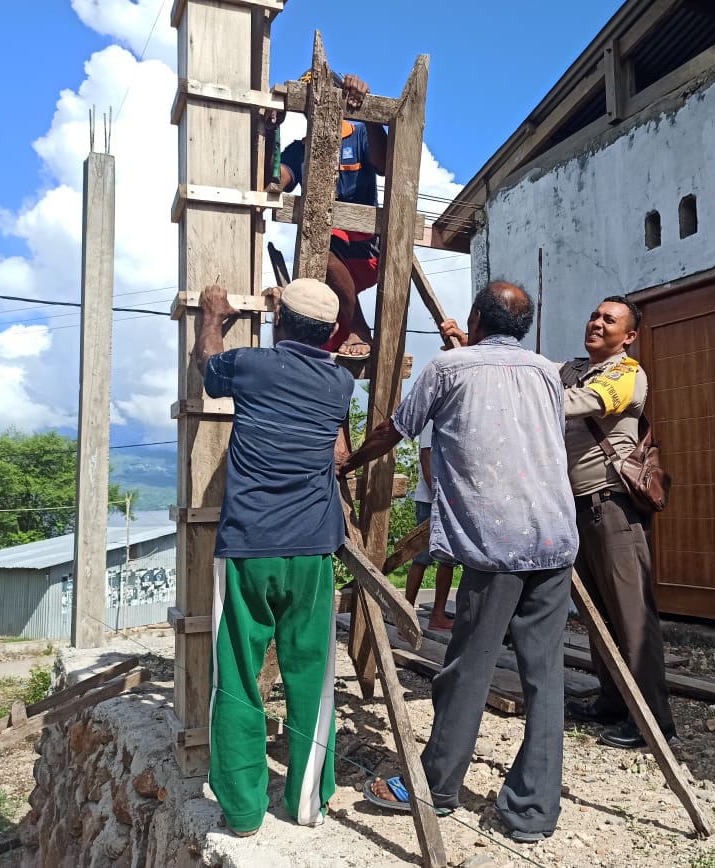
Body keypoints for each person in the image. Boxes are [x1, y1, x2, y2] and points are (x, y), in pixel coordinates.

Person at [339, 281, 578, 843]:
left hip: (496, 543)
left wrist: (345, 467)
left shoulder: (448, 371)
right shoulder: (547, 371)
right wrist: (465, 347)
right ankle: (533, 812)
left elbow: (394, 429)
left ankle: (435, 788)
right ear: (522, 326)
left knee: (467, 666)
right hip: (554, 540)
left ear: (474, 317)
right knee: (544, 675)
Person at [194, 278, 353, 836]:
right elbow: (333, 447)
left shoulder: (252, 367)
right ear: (331, 332)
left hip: (248, 546)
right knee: (312, 676)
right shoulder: (341, 382)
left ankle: (242, 811)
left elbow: (208, 370)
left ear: (278, 320)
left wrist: (213, 316)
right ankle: (308, 801)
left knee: (238, 673)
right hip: (312, 549)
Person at [558, 297, 678, 749]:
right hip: (578, 508)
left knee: (631, 617)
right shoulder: (570, 368)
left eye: (609, 320)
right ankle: (613, 701)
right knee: (600, 615)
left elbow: (580, 404)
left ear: (628, 336)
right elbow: (521, 374)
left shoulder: (627, 374)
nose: (597, 322)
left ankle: (654, 724)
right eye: (594, 315)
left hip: (613, 508)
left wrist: (530, 391)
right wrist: (473, 347)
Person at [278, 73, 387, 359]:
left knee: (319, 243)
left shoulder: (360, 133)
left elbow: (384, 164)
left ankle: (359, 327)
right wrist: (268, 130)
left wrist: (370, 111)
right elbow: (274, 180)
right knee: (317, 248)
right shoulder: (299, 149)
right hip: (329, 255)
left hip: (366, 248)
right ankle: (345, 332)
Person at [403, 421, 455, 632]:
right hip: (431, 498)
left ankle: (438, 614)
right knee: (421, 557)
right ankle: (406, 615)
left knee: (448, 559)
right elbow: (426, 457)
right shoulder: (432, 421)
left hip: (446, 497)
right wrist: (437, 494)